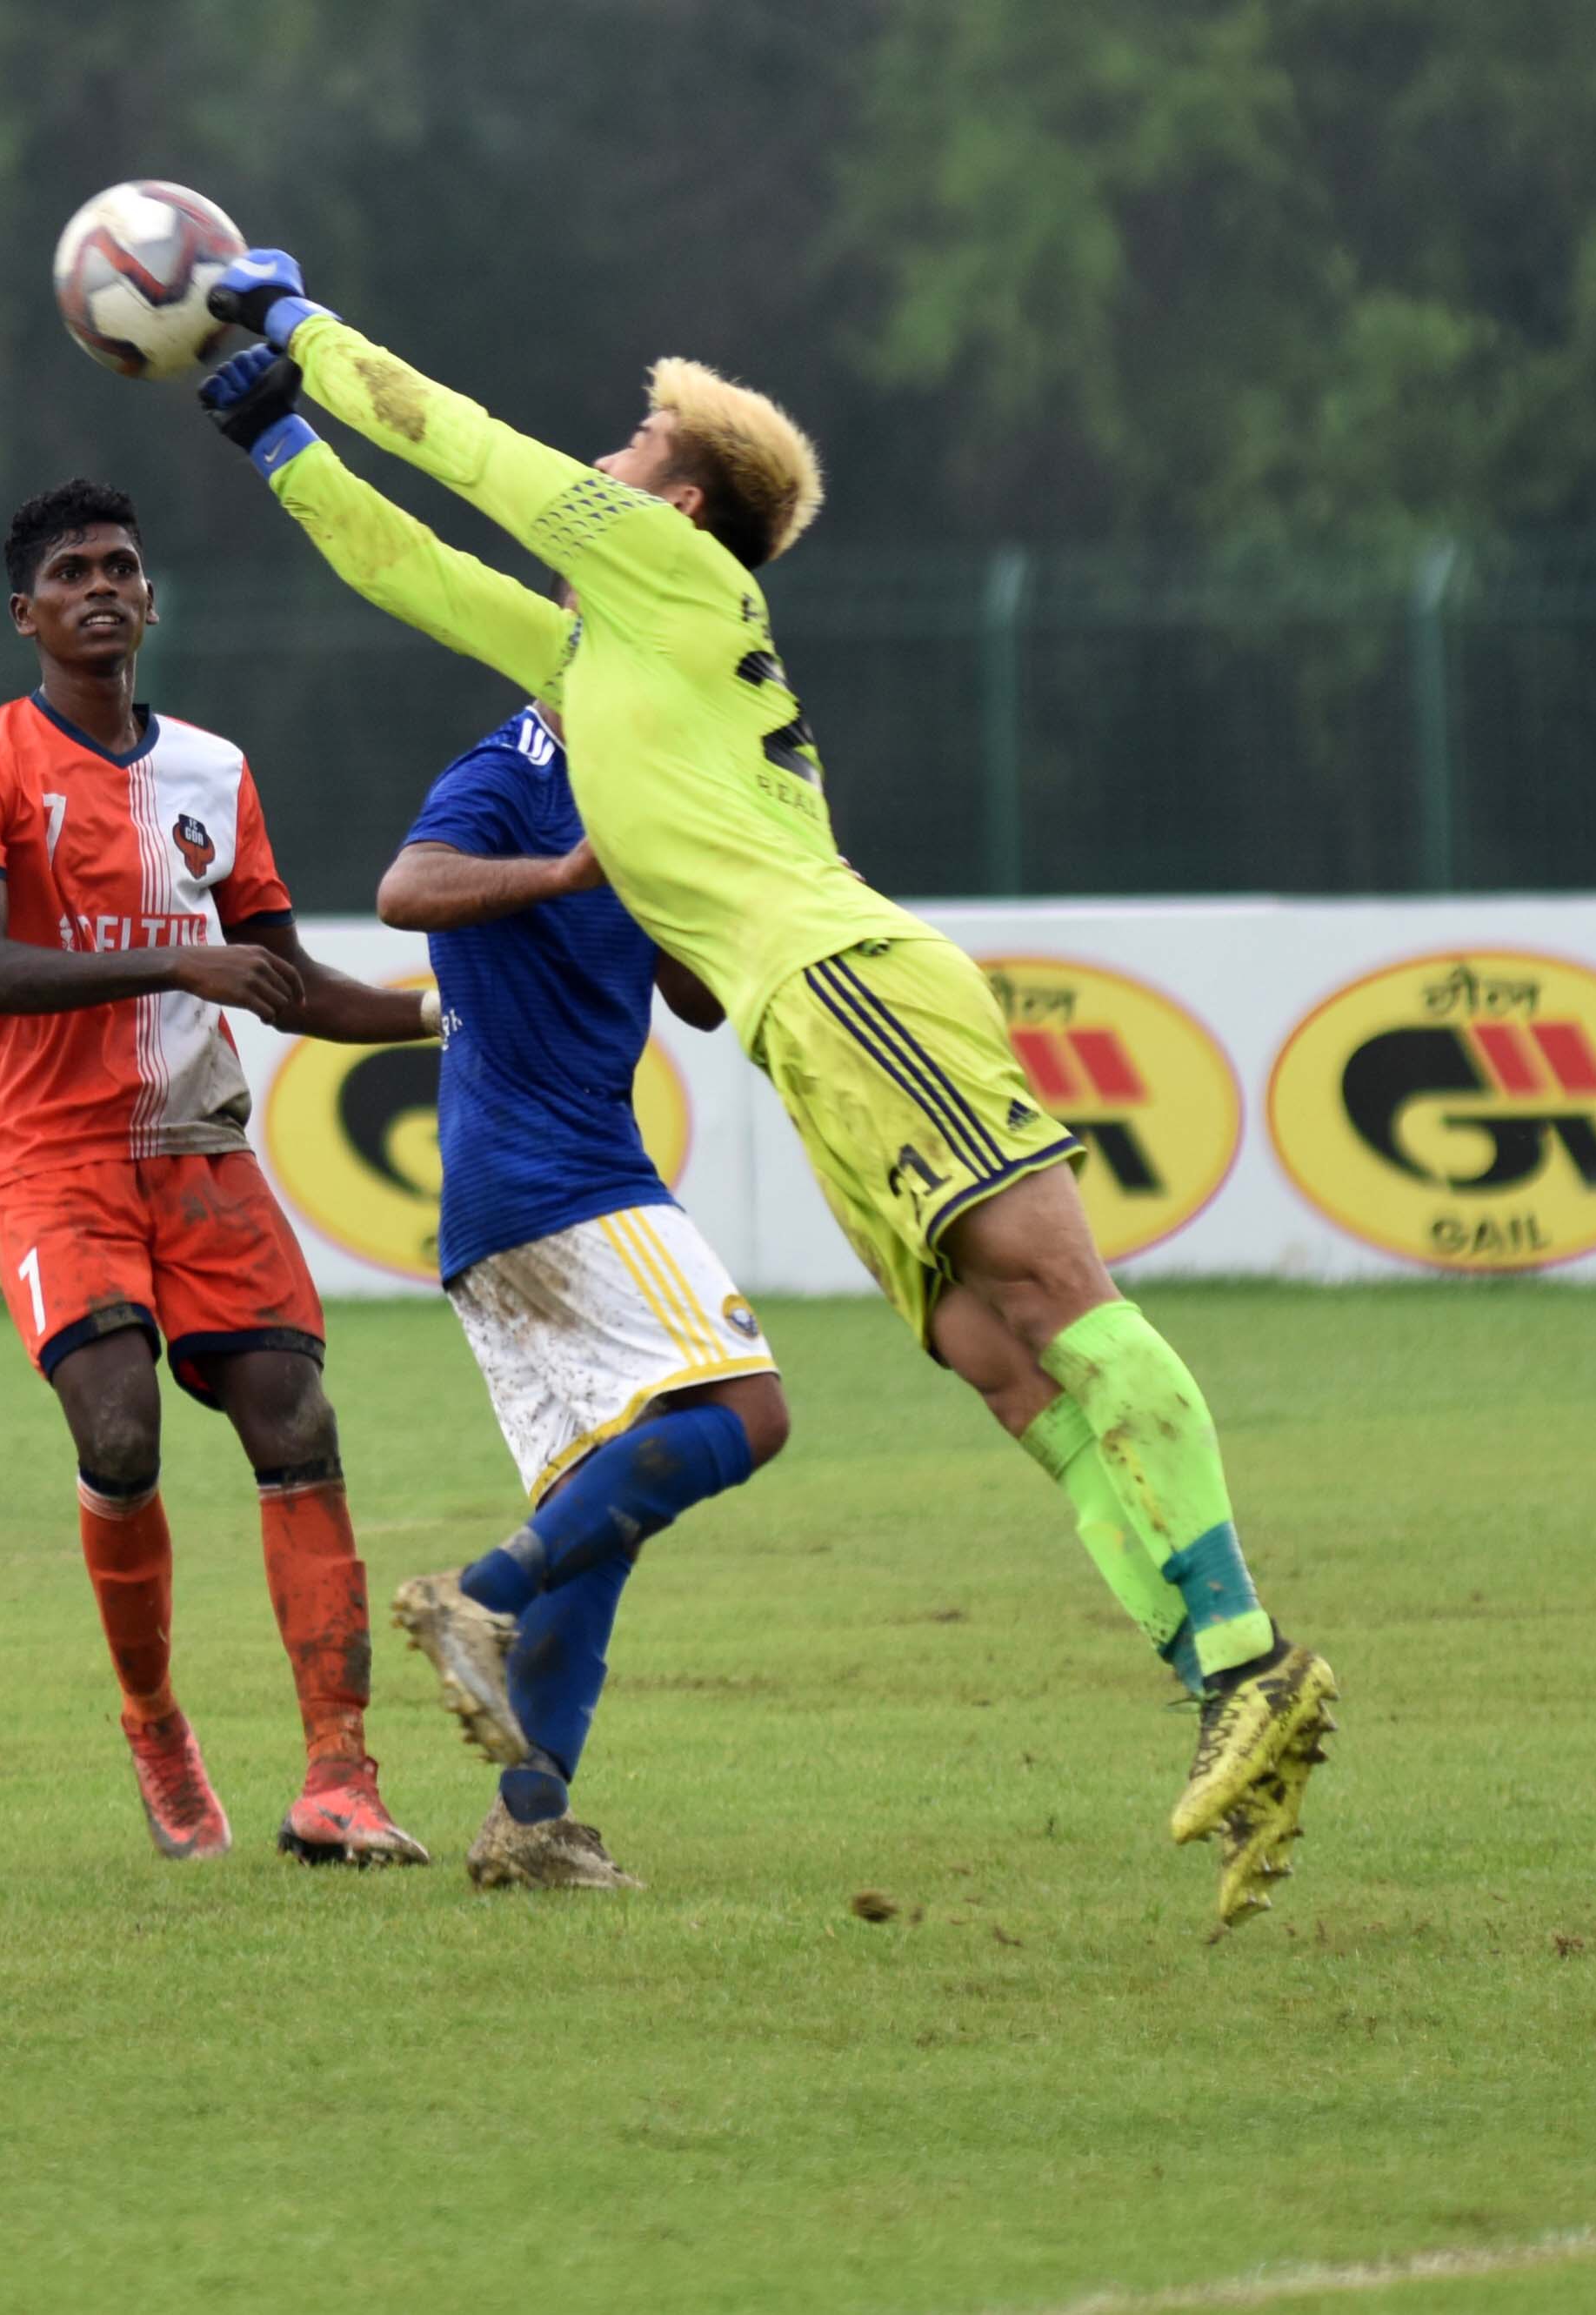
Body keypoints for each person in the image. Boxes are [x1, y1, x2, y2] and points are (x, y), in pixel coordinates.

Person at [192, 263, 1337, 1929]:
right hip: (804, 1025)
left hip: (849, 975)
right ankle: (1214, 1681)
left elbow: (472, 453)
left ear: (680, 495)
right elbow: (418, 564)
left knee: (1055, 1292)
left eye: (638, 435)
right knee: (1002, 1365)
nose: (610, 448)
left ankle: (1250, 1652)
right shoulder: (610, 650)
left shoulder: (664, 571)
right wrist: (284, 447)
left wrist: (299, 328)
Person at [0, 478, 439, 1868]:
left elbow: (289, 983)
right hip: (54, 1155)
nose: (102, 584)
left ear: (150, 600)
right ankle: (156, 1722)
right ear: (25, 612)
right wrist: (176, 958)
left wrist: (451, 1012)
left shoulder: (214, 769)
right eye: (73, 569)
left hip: (199, 1148)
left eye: (124, 566)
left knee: (295, 1415)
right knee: (120, 1434)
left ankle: (341, 1775)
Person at [367, 695, 790, 1890]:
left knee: (594, 1525)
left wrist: (707, 861)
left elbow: (700, 997)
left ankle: (531, 1819)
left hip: (502, 1202)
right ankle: (475, 1597)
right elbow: (406, 888)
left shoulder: (641, 763)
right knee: (751, 1411)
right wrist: (559, 868)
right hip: (562, 1174)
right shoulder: (517, 760)